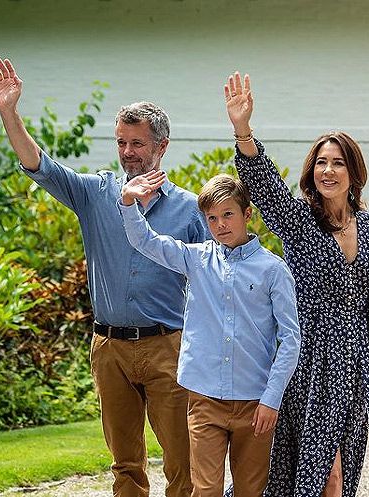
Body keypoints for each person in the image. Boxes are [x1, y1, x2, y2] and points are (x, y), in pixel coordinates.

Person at [0, 58, 209, 497]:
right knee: (125, 465)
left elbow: (214, 278)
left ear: (161, 147)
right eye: (122, 142)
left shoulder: (189, 209)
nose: (128, 152)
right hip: (109, 349)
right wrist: (9, 113)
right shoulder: (94, 193)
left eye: (138, 143)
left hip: (169, 347)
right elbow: (40, 166)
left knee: (182, 463)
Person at [223, 72, 369, 497]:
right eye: (321, 161)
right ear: (311, 170)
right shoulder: (298, 221)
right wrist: (243, 130)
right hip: (308, 356)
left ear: (353, 172)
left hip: (353, 360)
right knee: (324, 473)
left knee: (344, 464)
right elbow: (265, 189)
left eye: (338, 162)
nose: (328, 170)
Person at [119, 172, 301, 497]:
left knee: (250, 491)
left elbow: (290, 339)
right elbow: (145, 241)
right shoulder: (196, 258)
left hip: (255, 403)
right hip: (204, 400)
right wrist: (129, 202)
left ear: (247, 214)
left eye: (228, 214)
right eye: (212, 218)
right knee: (205, 490)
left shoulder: (273, 270)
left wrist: (272, 400)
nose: (220, 225)